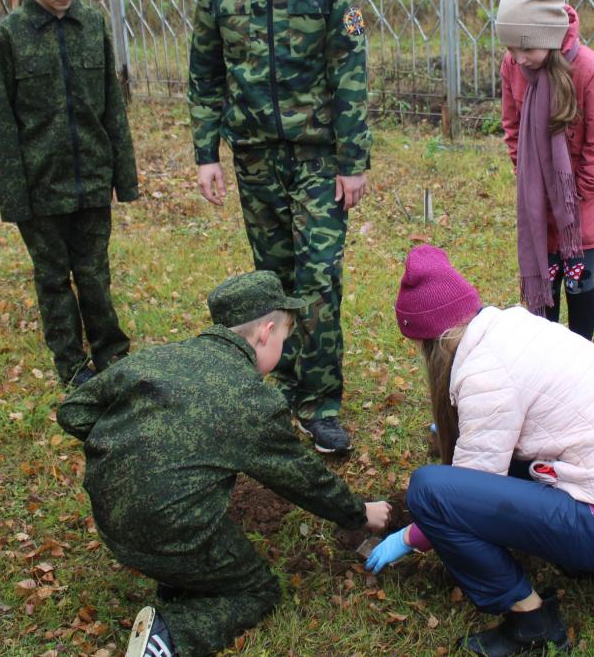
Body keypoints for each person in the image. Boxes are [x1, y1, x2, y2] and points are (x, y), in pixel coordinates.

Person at [369, 245, 594, 656]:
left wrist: (410, 537)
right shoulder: (515, 329)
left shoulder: (485, 374)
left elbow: (465, 494)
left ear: (432, 342)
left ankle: (531, 623)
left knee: (430, 490)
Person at [56, 271, 391, 657]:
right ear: (265, 332)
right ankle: (169, 638)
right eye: (284, 337)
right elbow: (303, 478)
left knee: (184, 535)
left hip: (108, 514)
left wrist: (129, 444)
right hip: (166, 529)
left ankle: (181, 575)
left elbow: (74, 410)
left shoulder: (160, 357)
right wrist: (358, 512)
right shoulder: (251, 402)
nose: (283, 345)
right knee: (256, 590)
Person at [188, 0, 370, 455]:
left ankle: (321, 403)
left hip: (319, 153)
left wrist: (353, 158)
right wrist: (204, 152)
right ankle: (282, 387)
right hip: (255, 152)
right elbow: (205, 69)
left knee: (317, 279)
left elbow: (349, 65)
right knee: (273, 276)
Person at [0, 0, 139, 386]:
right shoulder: (10, 37)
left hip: (92, 179)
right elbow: (2, 124)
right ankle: (72, 368)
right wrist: (14, 199)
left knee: (95, 275)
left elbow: (113, 106)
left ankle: (112, 356)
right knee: (54, 279)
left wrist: (124, 178)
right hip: (40, 187)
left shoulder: (93, 26)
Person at [496, 0, 594, 340]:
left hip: (584, 204)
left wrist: (574, 194)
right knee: (546, 277)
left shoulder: (590, 72)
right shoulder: (513, 67)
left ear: (549, 39)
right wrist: (528, 175)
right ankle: (548, 356)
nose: (518, 57)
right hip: (539, 201)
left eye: (526, 47)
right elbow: (512, 124)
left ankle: (581, 353)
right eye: (510, 48)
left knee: (578, 280)